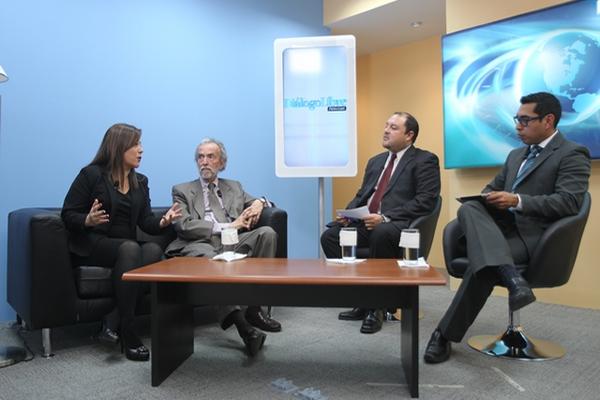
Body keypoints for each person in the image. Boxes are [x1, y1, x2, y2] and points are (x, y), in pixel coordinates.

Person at [424, 92, 591, 364]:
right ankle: (512, 277)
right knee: (469, 207)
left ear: (548, 120)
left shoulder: (572, 153)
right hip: (499, 232)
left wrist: (517, 200)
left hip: (535, 237)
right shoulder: (515, 155)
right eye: (517, 119)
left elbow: (570, 202)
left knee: (484, 264)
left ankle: (443, 336)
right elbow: (492, 188)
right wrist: (490, 197)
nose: (517, 126)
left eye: (525, 120)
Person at [61, 123, 181, 362]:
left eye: (140, 144)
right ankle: (129, 330)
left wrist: (163, 222)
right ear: (119, 147)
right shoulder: (91, 174)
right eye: (136, 144)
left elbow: (145, 222)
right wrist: (87, 219)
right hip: (94, 243)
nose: (141, 150)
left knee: (153, 249)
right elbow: (68, 213)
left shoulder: (141, 181)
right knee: (131, 248)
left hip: (127, 248)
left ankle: (113, 320)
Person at [321, 112, 441, 334]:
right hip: (367, 222)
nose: (386, 130)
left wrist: (385, 217)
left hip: (399, 225)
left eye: (394, 127)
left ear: (409, 135)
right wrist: (348, 213)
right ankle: (362, 300)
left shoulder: (425, 160)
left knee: (381, 233)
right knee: (330, 236)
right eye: (386, 125)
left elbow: (426, 201)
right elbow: (362, 195)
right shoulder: (376, 161)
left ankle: (376, 308)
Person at [165, 138, 281, 356]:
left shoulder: (234, 187)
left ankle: (255, 309)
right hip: (199, 244)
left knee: (267, 233)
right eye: (200, 157)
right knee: (211, 258)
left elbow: (262, 201)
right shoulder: (182, 190)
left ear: (222, 163)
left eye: (211, 157)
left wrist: (260, 202)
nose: (204, 162)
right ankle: (244, 328)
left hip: (233, 242)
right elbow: (184, 225)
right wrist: (230, 225)